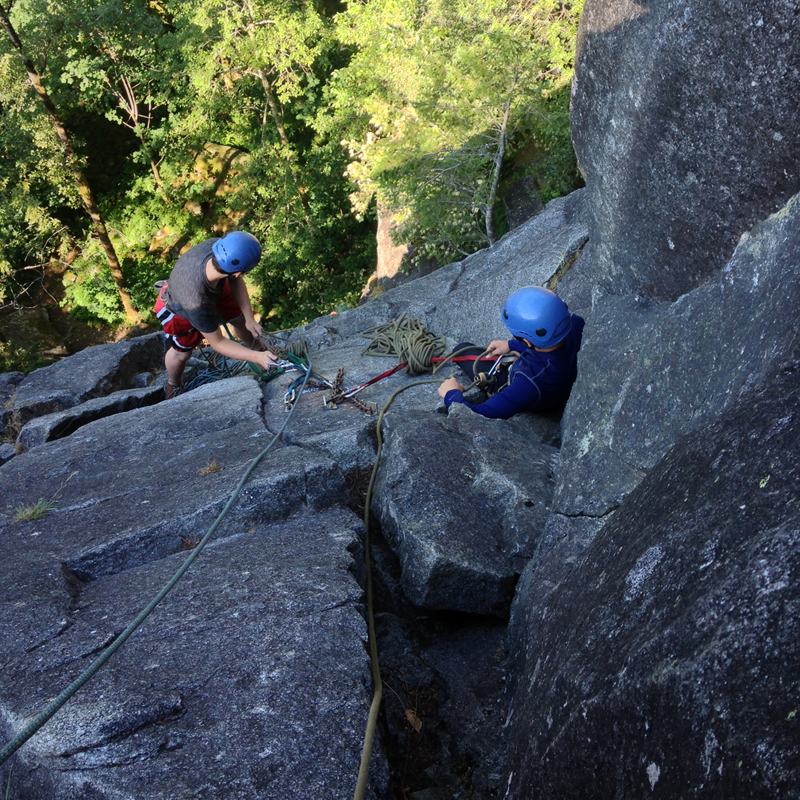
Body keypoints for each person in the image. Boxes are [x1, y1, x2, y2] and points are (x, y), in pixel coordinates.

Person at [154, 231, 279, 398]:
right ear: (238, 271)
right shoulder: (195, 303)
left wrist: (250, 319)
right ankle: (173, 384)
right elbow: (218, 342)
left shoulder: (218, 248)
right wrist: (256, 358)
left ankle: (263, 351)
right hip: (178, 307)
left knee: (240, 320)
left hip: (212, 287)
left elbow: (234, 280)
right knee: (182, 353)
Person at [437, 287, 585, 419]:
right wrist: (511, 344)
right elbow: (550, 345)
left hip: (527, 391)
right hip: (552, 378)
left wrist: (451, 394)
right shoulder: (578, 325)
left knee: (461, 350)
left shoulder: (526, 384)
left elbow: (476, 416)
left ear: (527, 343)